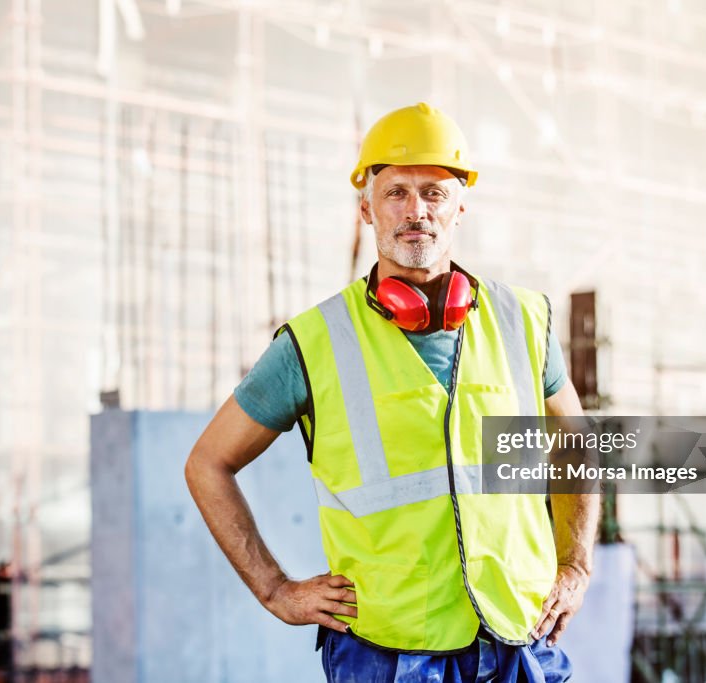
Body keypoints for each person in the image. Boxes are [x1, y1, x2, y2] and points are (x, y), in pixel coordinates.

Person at [185, 102, 599, 683]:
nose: (416, 212)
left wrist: (575, 564)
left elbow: (574, 443)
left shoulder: (524, 320)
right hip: (389, 650)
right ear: (365, 209)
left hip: (519, 638)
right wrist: (275, 590)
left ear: (460, 208)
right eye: (396, 193)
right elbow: (208, 462)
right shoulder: (315, 342)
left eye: (433, 192)